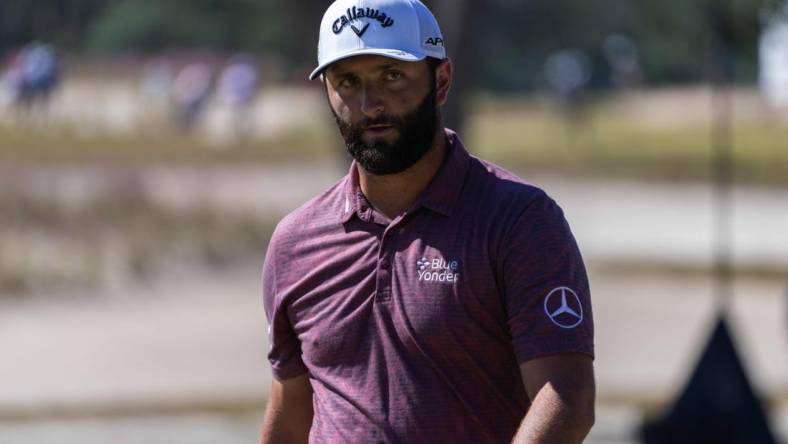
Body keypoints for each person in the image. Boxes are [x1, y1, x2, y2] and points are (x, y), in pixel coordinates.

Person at [261, 0, 595, 442]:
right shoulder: (295, 242)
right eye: (347, 81)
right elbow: (290, 414)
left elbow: (567, 398)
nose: (370, 103)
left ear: (441, 81)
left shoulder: (519, 220)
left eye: (391, 76)